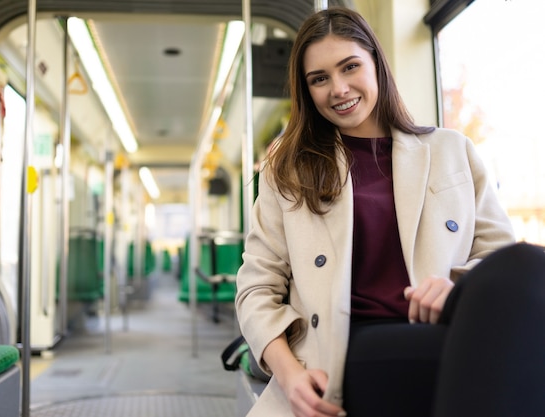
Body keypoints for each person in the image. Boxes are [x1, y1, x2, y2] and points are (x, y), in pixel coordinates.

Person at [234, 6, 545, 417]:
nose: (339, 88)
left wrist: (458, 289)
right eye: (320, 79)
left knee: (527, 264)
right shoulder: (288, 171)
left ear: (376, 65)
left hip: (448, 330)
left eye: (350, 67)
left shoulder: (452, 152)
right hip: (346, 352)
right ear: (306, 91)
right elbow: (257, 289)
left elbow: (497, 260)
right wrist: (291, 375)